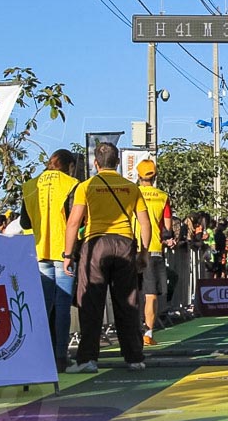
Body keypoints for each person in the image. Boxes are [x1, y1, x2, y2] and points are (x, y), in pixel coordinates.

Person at [62, 142, 152, 373]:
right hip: (124, 244)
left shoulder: (86, 186)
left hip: (95, 245)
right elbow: (145, 223)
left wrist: (68, 254)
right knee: (128, 302)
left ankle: (88, 359)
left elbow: (73, 222)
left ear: (95, 163)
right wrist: (143, 253)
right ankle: (134, 357)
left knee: (91, 302)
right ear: (118, 163)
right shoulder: (131, 187)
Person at [19, 149, 79, 372]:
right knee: (63, 305)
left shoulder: (29, 186)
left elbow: (25, 223)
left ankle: (40, 355)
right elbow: (76, 219)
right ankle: (61, 356)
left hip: (38, 251)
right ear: (70, 165)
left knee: (43, 306)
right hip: (64, 252)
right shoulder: (71, 184)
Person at [135, 159, 174, 347]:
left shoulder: (131, 194)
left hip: (131, 248)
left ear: (138, 176)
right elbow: (167, 228)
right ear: (155, 175)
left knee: (131, 293)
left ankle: (132, 330)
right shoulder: (162, 197)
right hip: (153, 249)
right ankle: (148, 333)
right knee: (151, 295)